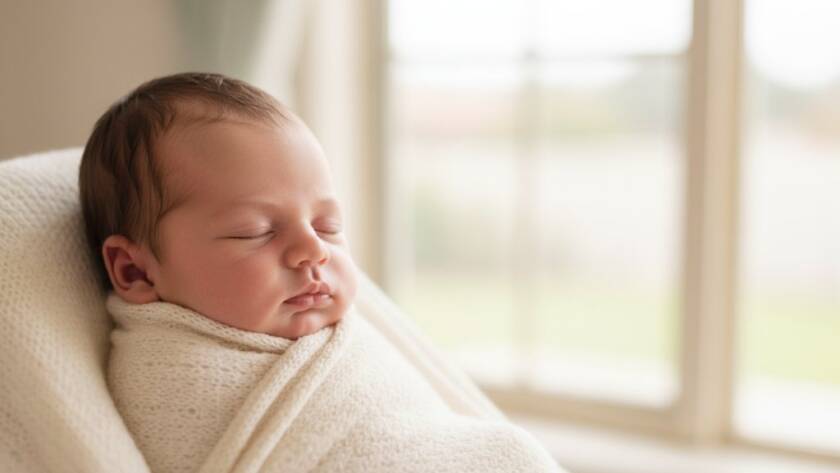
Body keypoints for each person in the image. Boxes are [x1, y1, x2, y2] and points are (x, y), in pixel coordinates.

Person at [79, 72, 560, 473]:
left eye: (328, 226)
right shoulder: (169, 377)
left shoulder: (330, 329)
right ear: (135, 271)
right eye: (254, 231)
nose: (312, 250)